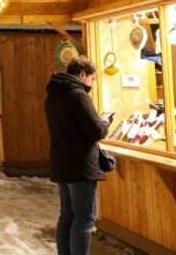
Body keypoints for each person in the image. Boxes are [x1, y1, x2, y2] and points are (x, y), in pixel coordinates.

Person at [45, 57, 110, 255]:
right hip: (80, 165)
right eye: (92, 78)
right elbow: (96, 131)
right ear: (82, 74)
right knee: (84, 218)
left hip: (61, 162)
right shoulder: (78, 95)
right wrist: (105, 122)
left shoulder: (53, 95)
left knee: (67, 216)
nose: (92, 83)